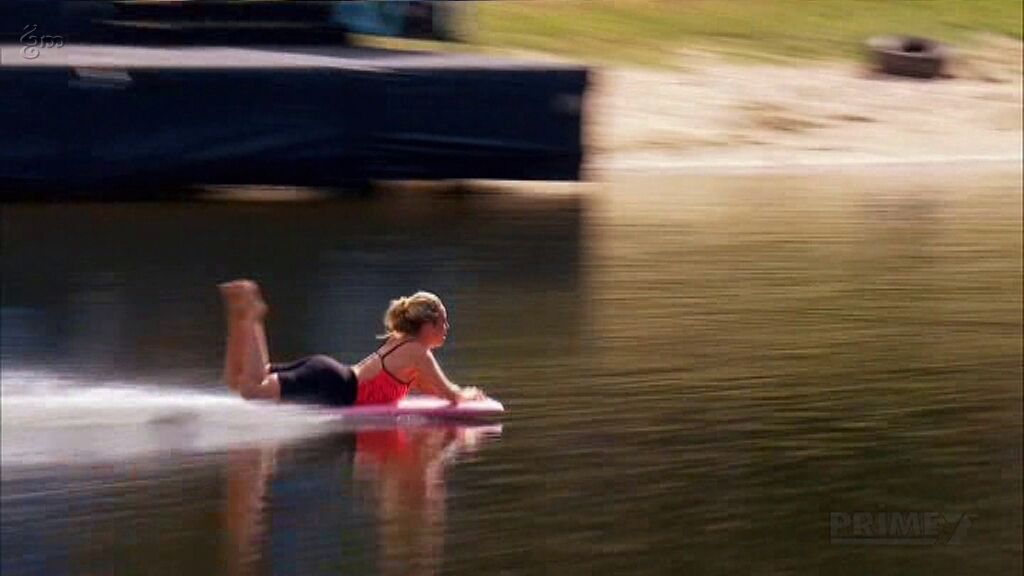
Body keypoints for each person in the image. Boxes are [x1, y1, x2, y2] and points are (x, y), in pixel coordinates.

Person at [218, 279, 487, 406]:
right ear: (427, 325)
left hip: (330, 374)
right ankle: (252, 315)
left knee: (236, 381)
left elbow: (432, 389)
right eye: (443, 323)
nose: (447, 329)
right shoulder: (418, 352)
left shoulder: (401, 344)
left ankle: (237, 314)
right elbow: (451, 395)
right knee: (251, 390)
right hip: (336, 386)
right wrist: (468, 395)